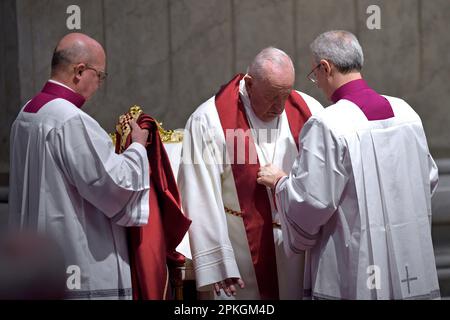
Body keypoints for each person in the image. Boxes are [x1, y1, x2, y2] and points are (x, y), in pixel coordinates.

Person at [257, 30, 440, 300]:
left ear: (325, 67)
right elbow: (429, 179)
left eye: (314, 74)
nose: (316, 83)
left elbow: (312, 202)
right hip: (409, 255)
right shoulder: (406, 113)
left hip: (355, 263)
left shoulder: (328, 124)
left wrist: (281, 183)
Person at [9, 33, 151, 299]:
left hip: (38, 262)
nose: (99, 84)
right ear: (80, 71)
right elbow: (113, 185)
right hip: (79, 262)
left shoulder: (27, 111)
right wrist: (138, 147)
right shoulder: (71, 119)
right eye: (100, 75)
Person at [177, 47, 323, 299]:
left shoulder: (309, 110)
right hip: (240, 253)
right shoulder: (208, 120)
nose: (280, 107)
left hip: (299, 250)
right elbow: (198, 192)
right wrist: (218, 262)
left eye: (285, 95)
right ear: (250, 83)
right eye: (272, 97)